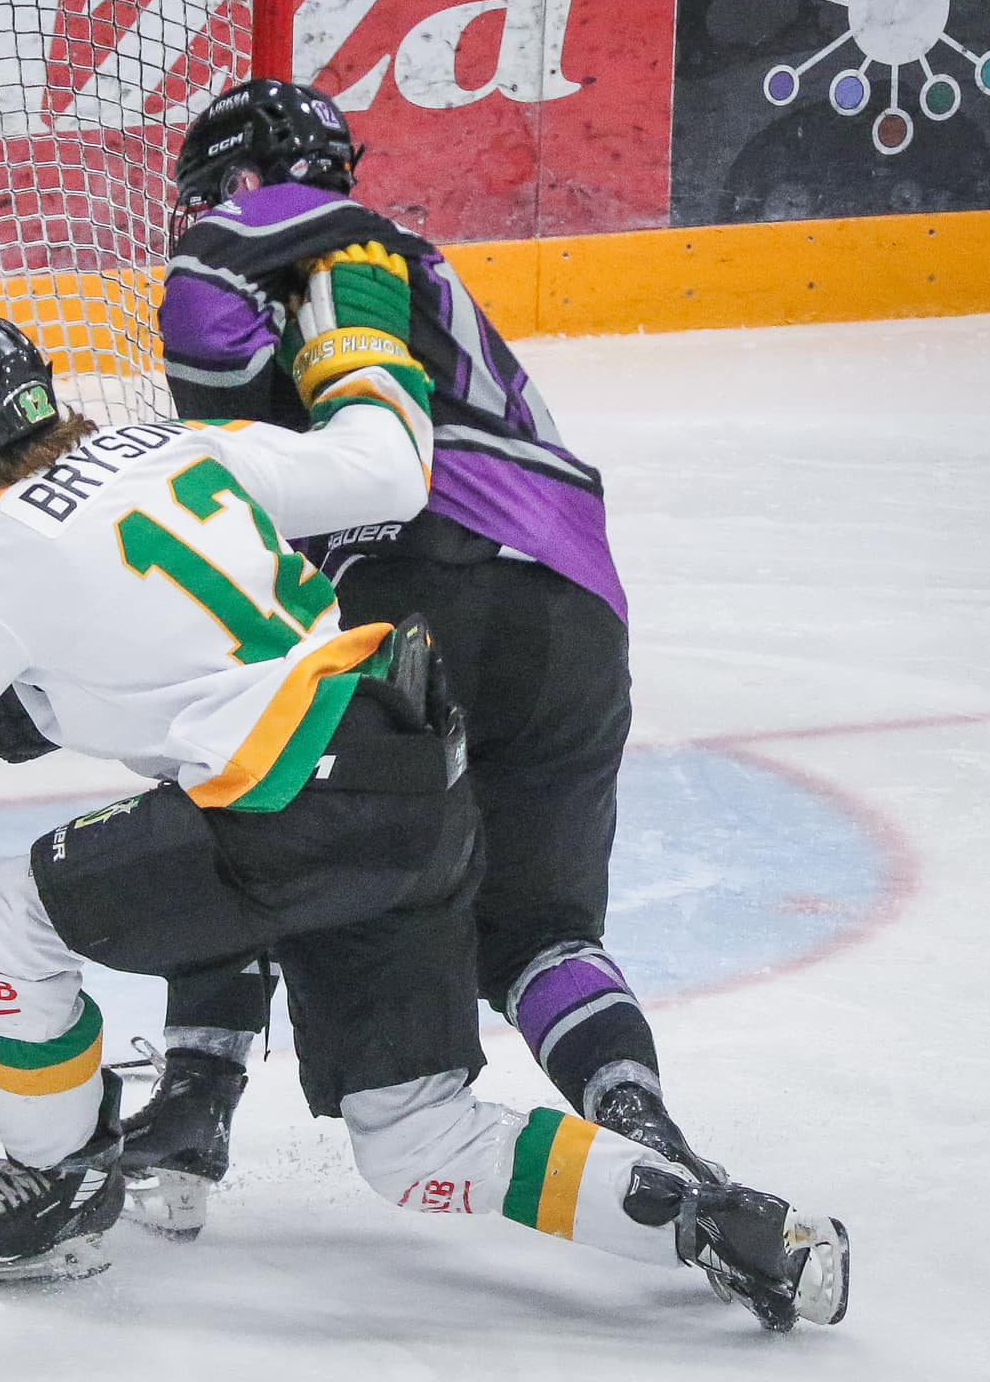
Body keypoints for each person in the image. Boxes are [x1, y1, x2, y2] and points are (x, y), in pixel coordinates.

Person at [0, 299, 848, 1329]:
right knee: (413, 1138)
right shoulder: (182, 449)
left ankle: (58, 1184)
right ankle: (715, 1221)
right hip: (415, 779)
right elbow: (386, 464)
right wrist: (360, 348)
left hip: (289, 810)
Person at [119, 78, 715, 1232]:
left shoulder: (274, 229)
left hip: (411, 582)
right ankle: (644, 1129)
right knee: (541, 933)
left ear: (240, 179)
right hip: (575, 611)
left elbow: (203, 315)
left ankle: (193, 1101)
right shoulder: (411, 266)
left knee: (233, 792)